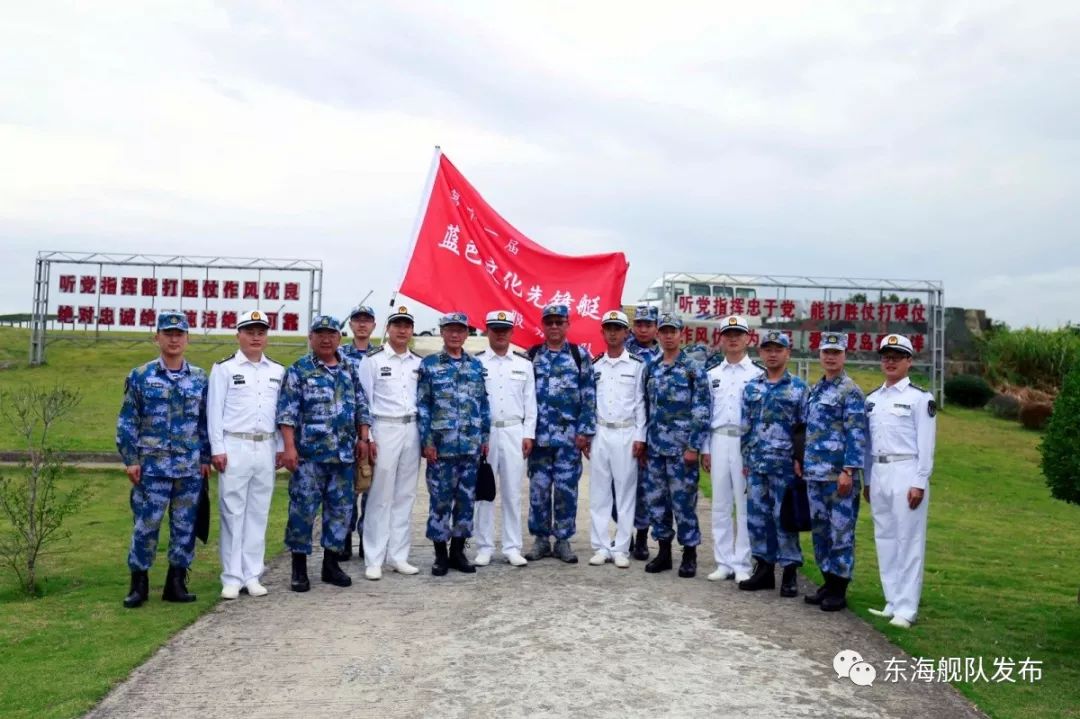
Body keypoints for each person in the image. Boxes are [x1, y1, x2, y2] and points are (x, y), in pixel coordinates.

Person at [116, 310, 211, 608]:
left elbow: (206, 423)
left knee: (185, 526)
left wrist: (205, 457)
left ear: (187, 339)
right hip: (152, 467)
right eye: (167, 333)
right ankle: (139, 584)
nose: (173, 339)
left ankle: (176, 582)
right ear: (156, 336)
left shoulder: (199, 378)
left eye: (179, 334)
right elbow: (127, 421)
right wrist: (131, 459)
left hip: (188, 467)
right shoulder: (141, 375)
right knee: (146, 525)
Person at [276, 315, 371, 592]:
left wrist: (364, 437)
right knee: (302, 513)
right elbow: (287, 413)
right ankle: (299, 568)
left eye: (331, 334)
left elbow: (361, 405)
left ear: (339, 338)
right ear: (311, 337)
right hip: (309, 458)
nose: (326, 339)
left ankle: (331, 565)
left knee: (340, 512)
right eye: (320, 334)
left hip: (343, 457)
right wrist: (289, 448)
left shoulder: (348, 369)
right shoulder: (299, 370)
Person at [207, 310, 285, 600]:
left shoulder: (277, 371)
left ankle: (252, 574)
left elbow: (280, 414)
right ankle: (231, 576)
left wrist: (279, 447)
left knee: (258, 512)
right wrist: (217, 449)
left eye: (261, 331)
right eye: (250, 331)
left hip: (264, 445)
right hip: (235, 445)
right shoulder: (224, 368)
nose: (256, 337)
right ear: (238, 334)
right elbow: (214, 412)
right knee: (232, 512)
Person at [864, 333, 937, 629]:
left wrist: (919, 481)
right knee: (885, 538)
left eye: (897, 356)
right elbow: (869, 445)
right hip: (879, 473)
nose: (890, 361)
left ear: (909, 361)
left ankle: (907, 608)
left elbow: (926, 444)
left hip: (907, 471)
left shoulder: (920, 398)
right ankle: (892, 600)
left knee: (909, 540)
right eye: (886, 356)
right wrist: (867, 480)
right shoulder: (872, 399)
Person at [417, 312, 491, 576]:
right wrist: (426, 442)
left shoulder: (474, 366)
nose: (455, 334)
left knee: (465, 501)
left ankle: (458, 551)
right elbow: (423, 406)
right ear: (442, 332)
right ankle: (440, 555)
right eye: (450, 329)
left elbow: (483, 404)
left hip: (470, 446)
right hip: (441, 447)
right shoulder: (430, 365)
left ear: (467, 333)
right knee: (440, 501)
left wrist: (484, 438)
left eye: (460, 330)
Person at [524, 304, 597, 564]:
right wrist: (526, 433)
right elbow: (524, 397)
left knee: (566, 492)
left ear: (567, 325)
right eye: (549, 322)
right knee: (539, 491)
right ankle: (541, 539)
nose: (554, 326)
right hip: (540, 440)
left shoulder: (579, 355)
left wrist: (585, 431)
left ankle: (563, 540)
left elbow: (589, 396)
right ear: (543, 326)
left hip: (568, 440)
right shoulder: (531, 356)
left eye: (559, 322)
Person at [738, 331, 808, 597]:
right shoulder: (752, 387)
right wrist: (746, 458)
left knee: (784, 519)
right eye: (767, 349)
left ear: (787, 353)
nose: (772, 354)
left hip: (785, 468)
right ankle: (764, 568)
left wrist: (800, 460)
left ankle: (789, 571)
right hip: (757, 464)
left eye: (778, 349)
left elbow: (804, 429)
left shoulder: (799, 389)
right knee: (757, 519)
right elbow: (745, 425)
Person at [802, 332, 867, 612]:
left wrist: (849, 470)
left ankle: (839, 588)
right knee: (820, 531)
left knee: (841, 532)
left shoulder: (850, 391)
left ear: (844, 356)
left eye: (835, 353)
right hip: (815, 473)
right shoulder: (817, 389)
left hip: (838, 475)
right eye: (826, 352)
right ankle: (827, 581)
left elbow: (856, 434)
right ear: (819, 355)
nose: (830, 357)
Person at [356, 305, 423, 580]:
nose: (402, 330)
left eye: (407, 325)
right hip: (384, 427)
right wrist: (367, 436)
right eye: (397, 325)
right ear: (388, 328)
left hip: (411, 428)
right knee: (380, 495)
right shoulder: (372, 360)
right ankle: (374, 557)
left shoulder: (418, 363)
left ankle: (399, 555)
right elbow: (364, 401)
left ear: (411, 330)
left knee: (405, 495)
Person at [642, 314, 711, 577]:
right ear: (658, 335)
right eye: (664, 331)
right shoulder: (653, 367)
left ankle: (690, 553)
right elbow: (647, 406)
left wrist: (694, 447)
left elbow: (701, 409)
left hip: (682, 451)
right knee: (657, 502)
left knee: (683, 503)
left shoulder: (693, 369)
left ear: (682, 334)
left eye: (673, 331)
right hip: (656, 447)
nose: (668, 335)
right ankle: (663, 553)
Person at [473, 310, 537, 568]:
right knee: (484, 493)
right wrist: (478, 435)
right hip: (487, 433)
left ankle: (512, 547)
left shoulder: (524, 364)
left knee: (512, 492)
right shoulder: (476, 363)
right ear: (487, 330)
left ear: (512, 332)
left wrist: (528, 434)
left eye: (505, 329)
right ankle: (484, 547)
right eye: (495, 328)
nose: (500, 334)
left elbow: (530, 403)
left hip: (513, 431)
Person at [702, 315, 763, 583]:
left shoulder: (758, 374)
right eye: (728, 334)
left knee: (744, 504)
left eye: (738, 333)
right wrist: (705, 448)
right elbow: (706, 414)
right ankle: (723, 561)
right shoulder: (712, 374)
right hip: (718, 440)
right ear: (721, 339)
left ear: (748, 337)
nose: (733, 338)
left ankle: (742, 563)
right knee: (721, 504)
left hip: (744, 442)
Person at [588, 310, 647, 568]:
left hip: (626, 432)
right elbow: (589, 402)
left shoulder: (636, 365)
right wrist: (588, 434)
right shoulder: (595, 365)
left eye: (618, 328)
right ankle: (601, 546)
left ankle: (621, 547)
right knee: (599, 493)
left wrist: (640, 436)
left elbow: (640, 404)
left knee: (625, 493)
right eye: (608, 328)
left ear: (626, 333)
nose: (612, 333)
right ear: (602, 332)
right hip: (601, 431)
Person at [338, 303, 377, 561]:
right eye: (357, 320)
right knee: (347, 489)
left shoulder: (380, 355)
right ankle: (343, 539)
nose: (362, 324)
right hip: (346, 431)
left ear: (374, 325)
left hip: (377, 431)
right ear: (350, 324)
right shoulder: (339, 355)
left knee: (372, 488)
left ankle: (368, 539)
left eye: (367, 320)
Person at [625, 304, 661, 560]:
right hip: (626, 428)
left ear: (656, 328)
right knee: (623, 483)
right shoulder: (622, 352)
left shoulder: (663, 356)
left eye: (648, 324)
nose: (644, 328)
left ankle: (640, 536)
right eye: (639, 324)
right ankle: (622, 533)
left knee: (645, 488)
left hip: (655, 432)